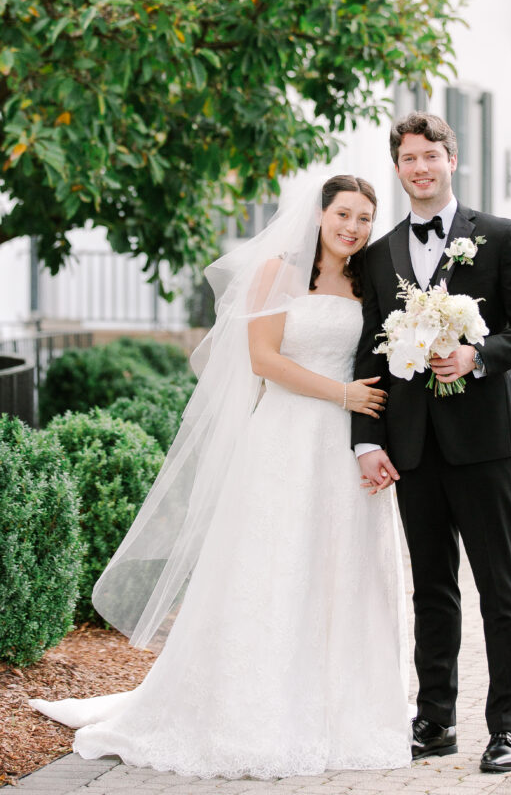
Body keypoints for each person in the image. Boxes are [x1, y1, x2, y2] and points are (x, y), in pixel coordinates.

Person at [30, 175, 411, 779]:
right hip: (287, 437)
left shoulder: (372, 284)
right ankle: (251, 706)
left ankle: (341, 705)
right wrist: (342, 394)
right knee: (274, 567)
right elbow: (265, 359)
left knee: (340, 567)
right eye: (344, 214)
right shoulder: (277, 275)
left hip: (344, 450)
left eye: (365, 219)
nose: (354, 228)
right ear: (319, 214)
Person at [352, 113, 511, 775]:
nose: (419, 168)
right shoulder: (378, 256)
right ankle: (434, 719)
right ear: (398, 166)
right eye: (408, 158)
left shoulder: (496, 236)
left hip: (481, 441)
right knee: (431, 588)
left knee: (499, 585)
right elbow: (367, 355)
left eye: (430, 156)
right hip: (412, 447)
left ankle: (509, 728)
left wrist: (477, 355)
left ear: (451, 160)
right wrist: (365, 442)